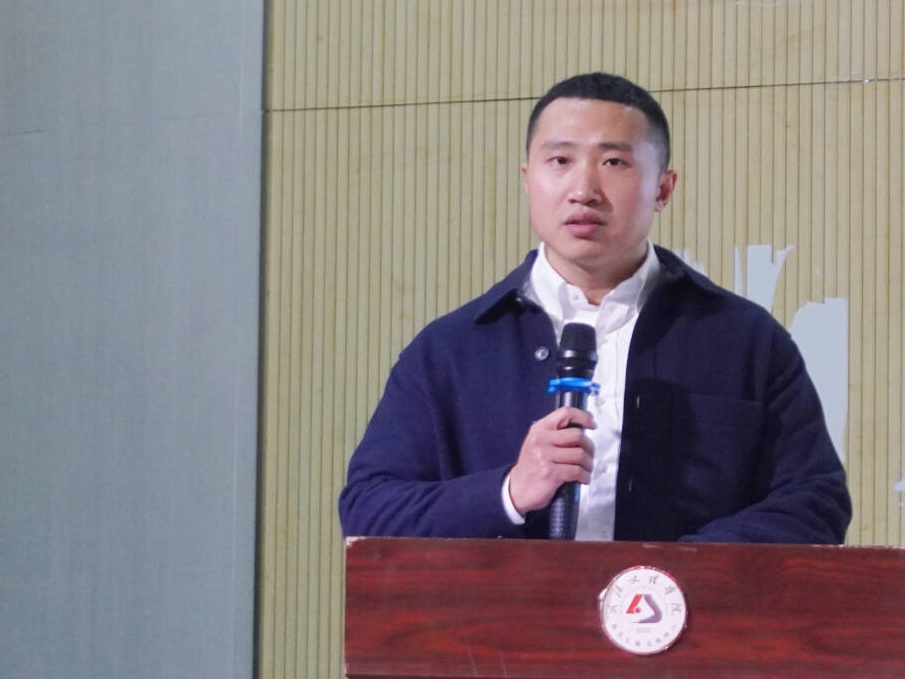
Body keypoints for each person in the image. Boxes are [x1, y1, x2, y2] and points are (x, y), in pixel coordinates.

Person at [339, 72, 850, 543]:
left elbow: (815, 504)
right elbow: (369, 509)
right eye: (560, 161)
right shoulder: (451, 349)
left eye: (614, 162)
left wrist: (666, 578)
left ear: (663, 188)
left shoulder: (744, 339)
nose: (583, 191)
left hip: (689, 613)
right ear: (527, 179)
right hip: (505, 615)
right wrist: (509, 492)